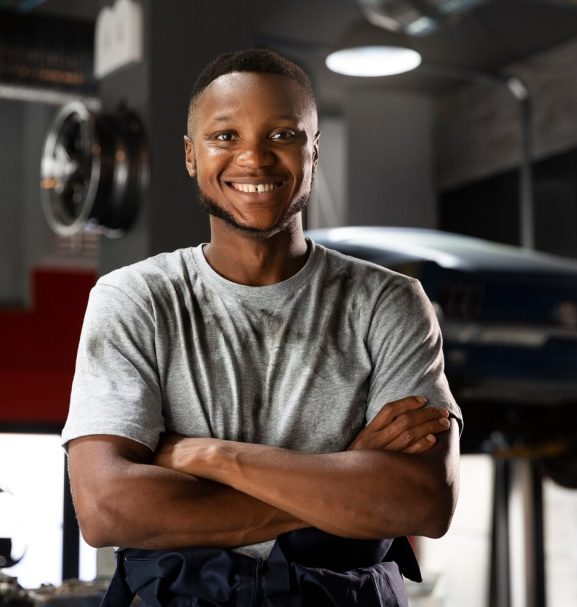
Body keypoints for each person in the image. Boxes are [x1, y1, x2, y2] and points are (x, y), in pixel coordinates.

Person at [61, 48, 462, 606]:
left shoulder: (388, 302)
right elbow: (107, 510)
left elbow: (422, 503)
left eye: (282, 135)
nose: (254, 159)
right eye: (225, 136)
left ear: (313, 150)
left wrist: (207, 456)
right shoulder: (135, 299)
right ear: (190, 156)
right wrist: (341, 480)